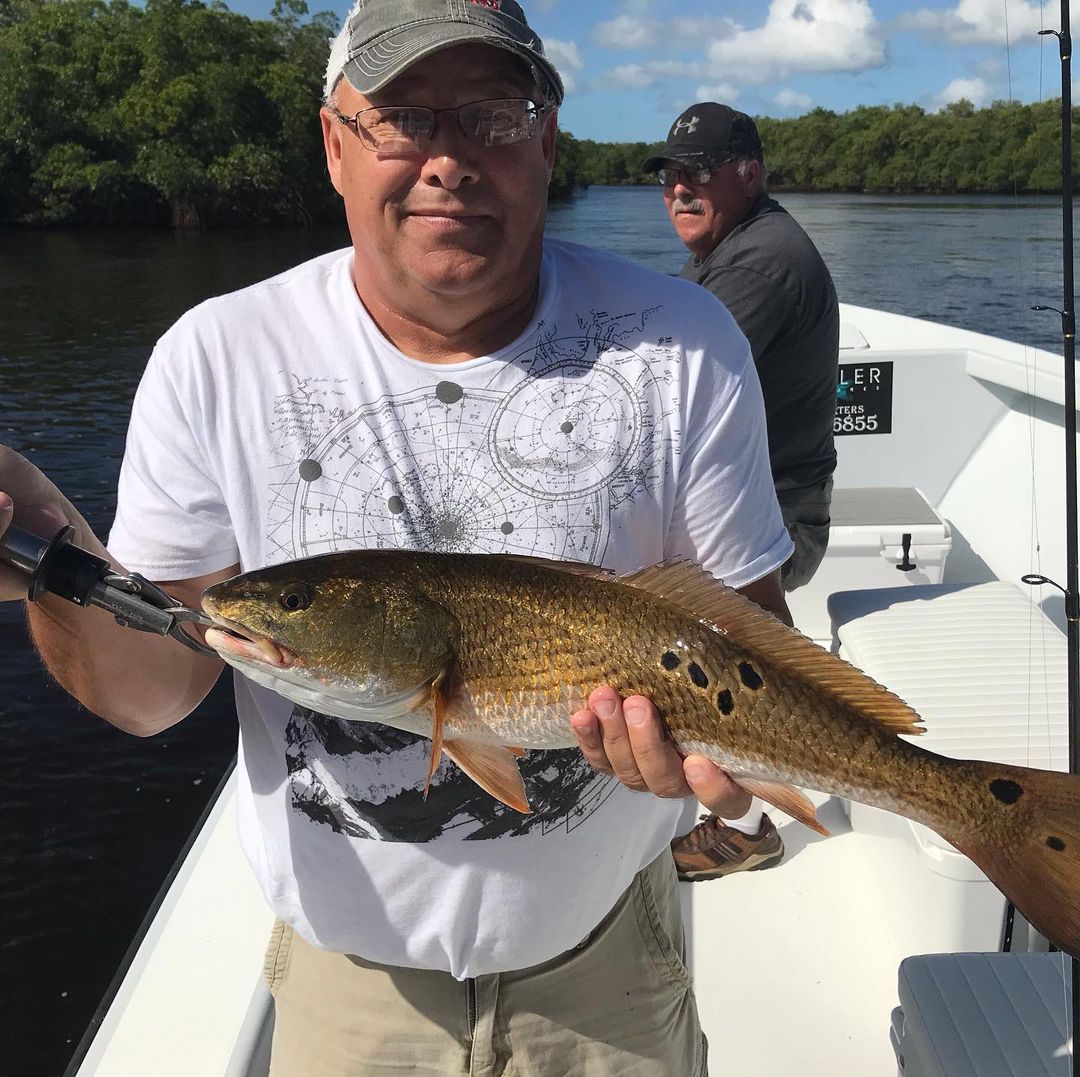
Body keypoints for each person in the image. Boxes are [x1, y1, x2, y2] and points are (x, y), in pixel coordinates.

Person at [0, 4, 794, 1074]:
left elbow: (755, 640)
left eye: (493, 116)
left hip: (611, 962)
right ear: (333, 143)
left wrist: (727, 761)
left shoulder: (681, 342)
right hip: (349, 987)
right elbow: (149, 696)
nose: (450, 159)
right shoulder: (218, 358)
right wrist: (43, 547)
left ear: (547, 141)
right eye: (404, 119)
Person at [643, 103, 839, 884]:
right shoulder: (737, 248)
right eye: (670, 177)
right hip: (780, 495)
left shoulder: (759, 267)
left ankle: (746, 824)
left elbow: (660, 384)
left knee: (655, 620)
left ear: (748, 174)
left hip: (786, 521)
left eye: (699, 173)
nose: (680, 191)